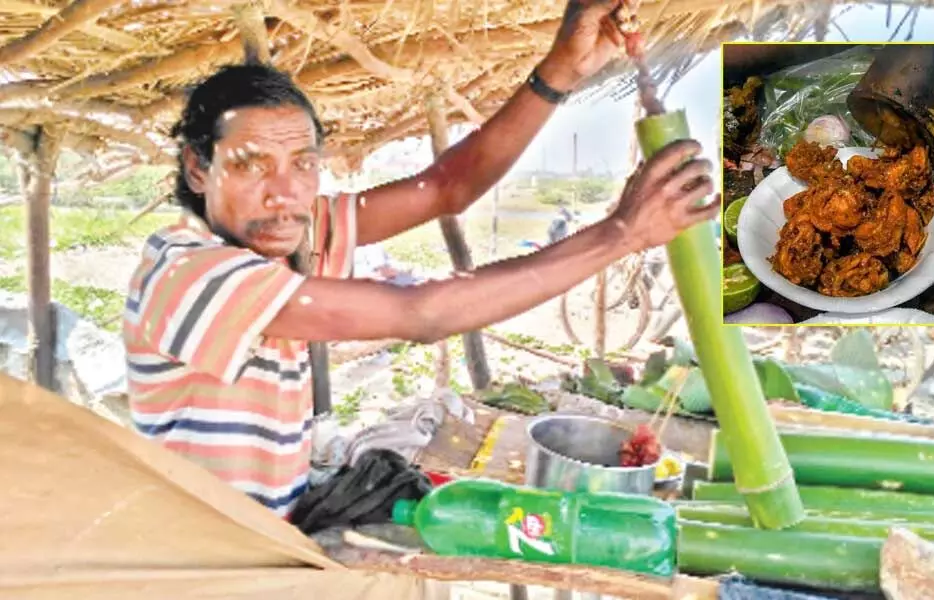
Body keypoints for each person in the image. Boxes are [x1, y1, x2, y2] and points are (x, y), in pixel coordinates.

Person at [123, 0, 718, 519]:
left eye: (302, 163)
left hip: (270, 526)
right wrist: (622, 234)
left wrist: (559, 72)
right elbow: (421, 313)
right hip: (207, 557)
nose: (285, 191)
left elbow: (443, 189)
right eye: (252, 165)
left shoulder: (295, 231)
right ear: (199, 169)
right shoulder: (189, 272)